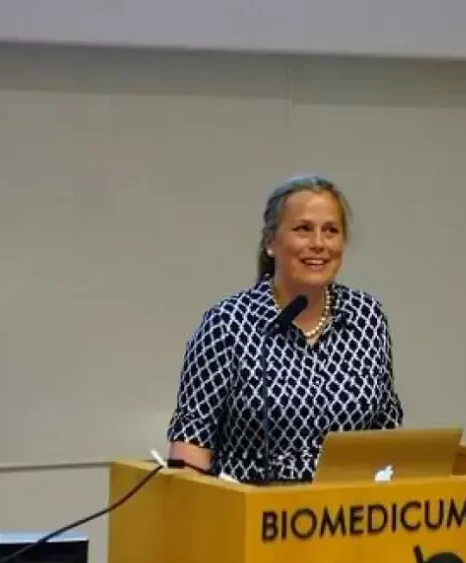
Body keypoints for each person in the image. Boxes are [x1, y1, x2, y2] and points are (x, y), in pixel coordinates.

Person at [165, 174, 404, 484]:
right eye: (303, 229)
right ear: (271, 242)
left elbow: (387, 434)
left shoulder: (366, 317)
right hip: (251, 508)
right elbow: (191, 446)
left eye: (331, 231)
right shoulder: (227, 324)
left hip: (347, 508)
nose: (318, 244)